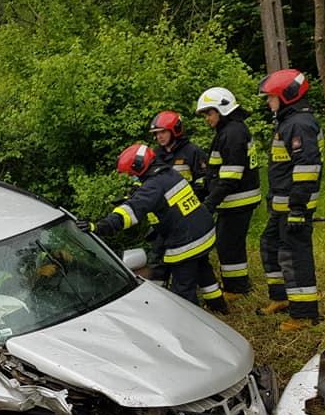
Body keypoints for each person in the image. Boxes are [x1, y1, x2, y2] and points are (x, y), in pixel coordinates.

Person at [78, 143, 227, 312]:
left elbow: (128, 214)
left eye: (132, 174)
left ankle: (190, 322)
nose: (131, 177)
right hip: (203, 229)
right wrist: (132, 196)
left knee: (182, 290)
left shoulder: (152, 187)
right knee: (202, 268)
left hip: (187, 241)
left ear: (139, 167)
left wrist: (98, 227)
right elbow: (154, 195)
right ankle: (218, 306)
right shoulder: (170, 173)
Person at [257, 68, 323, 331]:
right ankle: (281, 298)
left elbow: (306, 168)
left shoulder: (299, 124)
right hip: (282, 205)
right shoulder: (287, 122)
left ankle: (305, 313)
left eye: (271, 97)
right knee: (270, 244)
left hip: (295, 207)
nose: (268, 102)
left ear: (287, 96)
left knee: (295, 256)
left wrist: (297, 208)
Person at [194, 87, 261, 298]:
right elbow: (217, 171)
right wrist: (203, 186)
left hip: (237, 200)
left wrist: (209, 204)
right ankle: (237, 285)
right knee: (229, 243)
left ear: (222, 109)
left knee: (228, 244)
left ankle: (237, 288)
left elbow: (230, 177)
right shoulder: (230, 131)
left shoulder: (232, 133)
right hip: (235, 200)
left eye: (209, 113)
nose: (207, 119)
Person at [146, 111, 209, 287]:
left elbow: (205, 180)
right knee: (158, 258)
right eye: (157, 133)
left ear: (175, 131)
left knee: (197, 260)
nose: (160, 136)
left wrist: (196, 193)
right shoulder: (154, 156)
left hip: (188, 216)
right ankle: (158, 294)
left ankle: (210, 298)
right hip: (164, 218)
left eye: (163, 132)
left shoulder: (192, 152)